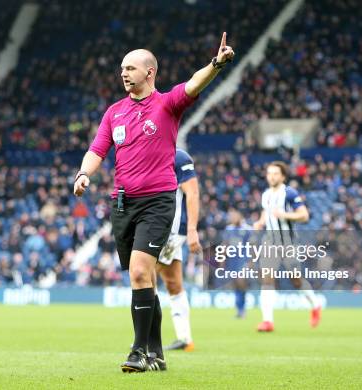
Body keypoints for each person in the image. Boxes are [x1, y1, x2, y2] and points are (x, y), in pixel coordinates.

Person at [74, 33, 235, 372]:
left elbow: (193, 84)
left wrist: (216, 64)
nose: (123, 74)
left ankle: (138, 351)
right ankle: (158, 353)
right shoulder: (114, 112)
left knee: (139, 272)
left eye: (130, 68)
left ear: (149, 72)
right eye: (121, 69)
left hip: (157, 202)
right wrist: (83, 174)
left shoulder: (167, 104)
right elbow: (97, 149)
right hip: (122, 204)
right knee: (144, 279)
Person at [252, 161, 321, 332]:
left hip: (288, 241)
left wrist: (284, 215)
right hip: (270, 240)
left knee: (296, 280)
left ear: (282, 176)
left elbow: (304, 215)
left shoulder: (289, 193)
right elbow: (265, 212)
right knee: (267, 278)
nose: (272, 176)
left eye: (275, 173)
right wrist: (260, 222)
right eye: (269, 173)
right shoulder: (266, 194)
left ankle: (315, 304)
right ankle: (267, 321)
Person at [157, 148, 202, 353]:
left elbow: (192, 192)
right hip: (156, 228)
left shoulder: (179, 156)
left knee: (145, 273)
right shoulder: (146, 151)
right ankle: (185, 338)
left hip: (170, 231)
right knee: (172, 282)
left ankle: (146, 340)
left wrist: (192, 229)